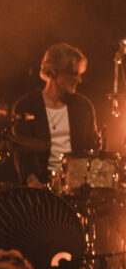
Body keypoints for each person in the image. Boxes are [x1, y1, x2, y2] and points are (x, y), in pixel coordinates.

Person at [12, 42, 98, 187]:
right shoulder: (26, 107)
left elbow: (92, 150)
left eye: (79, 74)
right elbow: (22, 155)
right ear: (53, 72)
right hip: (40, 191)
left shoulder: (84, 108)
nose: (79, 79)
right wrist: (33, 182)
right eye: (73, 73)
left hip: (77, 191)